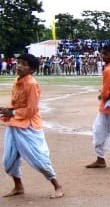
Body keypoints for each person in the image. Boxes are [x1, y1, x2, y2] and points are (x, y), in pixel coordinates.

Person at [1, 53, 64, 199]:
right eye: (19, 63)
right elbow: (15, 102)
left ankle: (57, 186)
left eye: (24, 64)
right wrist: (8, 110)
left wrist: (13, 112)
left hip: (28, 126)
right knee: (9, 159)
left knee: (39, 159)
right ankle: (18, 186)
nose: (19, 66)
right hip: (15, 124)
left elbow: (31, 110)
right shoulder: (17, 80)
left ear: (32, 69)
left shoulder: (31, 84)